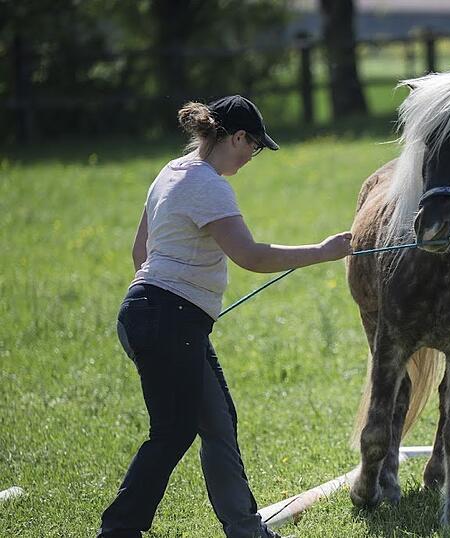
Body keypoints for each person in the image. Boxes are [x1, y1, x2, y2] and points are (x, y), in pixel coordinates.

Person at [98, 95, 352, 538]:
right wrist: (324, 251)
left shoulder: (170, 172)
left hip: (150, 314)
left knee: (217, 422)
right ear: (237, 137)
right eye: (253, 147)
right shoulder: (208, 184)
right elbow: (250, 256)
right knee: (173, 433)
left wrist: (178, 300)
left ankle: (245, 529)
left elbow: (141, 251)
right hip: (167, 321)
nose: (251, 157)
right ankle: (117, 531)